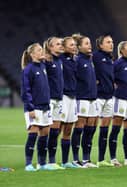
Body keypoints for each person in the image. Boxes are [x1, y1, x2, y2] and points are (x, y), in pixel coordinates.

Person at [21, 43, 53, 171]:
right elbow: (25, 90)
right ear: (32, 54)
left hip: (45, 106)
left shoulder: (43, 66)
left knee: (44, 135)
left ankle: (42, 163)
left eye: (42, 50)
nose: (42, 52)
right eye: (39, 50)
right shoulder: (28, 69)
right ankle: (28, 164)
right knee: (33, 134)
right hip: (34, 107)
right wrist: (30, 108)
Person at [71, 34, 98, 168]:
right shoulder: (77, 60)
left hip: (93, 98)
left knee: (91, 128)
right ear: (79, 47)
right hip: (82, 97)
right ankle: (76, 159)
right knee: (79, 128)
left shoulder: (89, 60)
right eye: (86, 43)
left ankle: (87, 159)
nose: (90, 45)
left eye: (90, 43)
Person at [109, 41, 127, 166]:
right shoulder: (117, 64)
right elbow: (110, 79)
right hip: (120, 99)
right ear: (122, 51)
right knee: (116, 128)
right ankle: (113, 158)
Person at [92, 34, 115, 167]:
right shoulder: (95, 57)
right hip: (97, 97)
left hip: (109, 97)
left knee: (105, 128)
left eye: (111, 42)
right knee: (91, 129)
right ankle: (85, 159)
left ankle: (101, 159)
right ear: (100, 45)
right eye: (107, 42)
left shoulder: (110, 58)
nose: (111, 44)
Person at [43, 37, 65, 169]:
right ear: (50, 47)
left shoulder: (58, 60)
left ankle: (52, 161)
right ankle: (43, 161)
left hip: (59, 99)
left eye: (61, 44)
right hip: (49, 99)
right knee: (46, 131)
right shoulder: (46, 60)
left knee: (55, 132)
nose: (60, 46)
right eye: (57, 44)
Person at [59, 36, 79, 168]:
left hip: (73, 97)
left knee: (68, 131)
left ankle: (65, 162)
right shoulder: (60, 60)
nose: (74, 47)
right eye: (71, 45)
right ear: (64, 47)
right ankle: (48, 161)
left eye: (75, 45)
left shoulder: (74, 60)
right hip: (63, 97)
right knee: (56, 130)